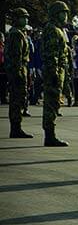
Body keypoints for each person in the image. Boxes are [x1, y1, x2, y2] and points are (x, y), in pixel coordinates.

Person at [41, 2, 71, 147]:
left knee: (54, 103)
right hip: (54, 71)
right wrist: (54, 73)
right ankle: (50, 136)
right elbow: (52, 54)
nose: (65, 16)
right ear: (55, 14)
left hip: (58, 71)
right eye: (62, 13)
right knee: (51, 104)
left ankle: (50, 134)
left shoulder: (57, 29)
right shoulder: (53, 30)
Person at [5, 8, 33, 138]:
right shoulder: (16, 34)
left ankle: (16, 127)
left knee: (17, 99)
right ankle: (16, 128)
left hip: (19, 69)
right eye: (23, 17)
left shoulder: (16, 32)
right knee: (17, 99)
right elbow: (17, 56)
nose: (25, 19)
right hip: (18, 70)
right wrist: (19, 73)